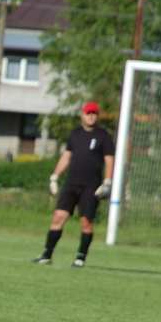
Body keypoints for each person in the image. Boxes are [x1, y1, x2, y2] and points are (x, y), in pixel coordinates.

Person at [33, 101, 114, 268]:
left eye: (94, 113)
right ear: (82, 115)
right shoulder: (75, 134)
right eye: (88, 113)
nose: (91, 116)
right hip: (71, 184)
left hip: (91, 186)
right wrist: (54, 176)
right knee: (58, 217)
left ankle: (80, 257)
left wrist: (107, 181)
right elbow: (66, 156)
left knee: (86, 222)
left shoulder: (103, 136)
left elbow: (109, 160)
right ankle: (47, 255)